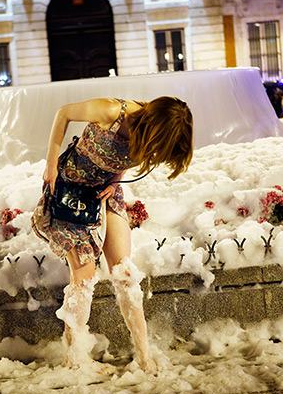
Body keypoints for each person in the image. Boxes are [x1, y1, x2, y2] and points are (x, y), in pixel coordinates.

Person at [31, 97, 193, 373]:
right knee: (84, 276)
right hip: (72, 192)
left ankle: (145, 357)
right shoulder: (111, 111)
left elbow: (128, 156)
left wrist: (116, 179)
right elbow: (63, 112)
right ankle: (77, 358)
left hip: (106, 191)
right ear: (151, 126)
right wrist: (51, 164)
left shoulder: (153, 137)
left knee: (125, 273)